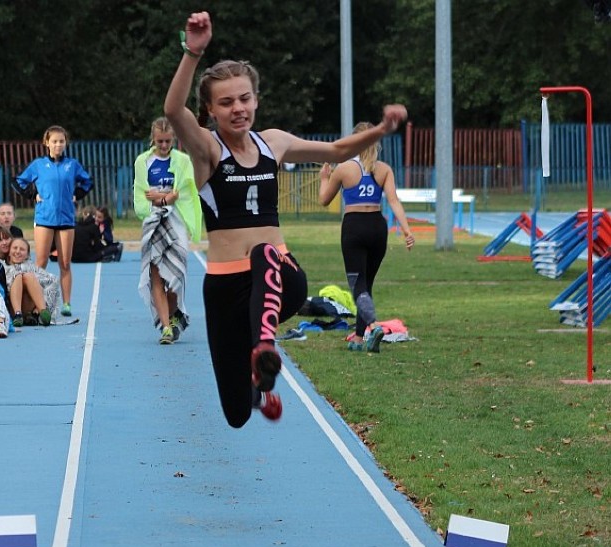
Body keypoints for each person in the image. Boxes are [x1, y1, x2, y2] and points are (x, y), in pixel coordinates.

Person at [164, 11, 407, 426]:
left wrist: (380, 130)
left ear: (256, 99)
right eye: (226, 102)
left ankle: (265, 347)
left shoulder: (272, 142)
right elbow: (172, 110)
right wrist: (193, 52)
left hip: (280, 276)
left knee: (264, 252)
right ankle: (258, 391)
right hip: (225, 287)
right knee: (236, 415)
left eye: (245, 98)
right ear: (210, 110)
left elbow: (334, 151)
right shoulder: (206, 151)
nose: (238, 108)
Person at [317, 122, 415, 353]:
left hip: (354, 227)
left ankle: (372, 325)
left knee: (357, 284)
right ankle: (360, 338)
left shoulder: (343, 169)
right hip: (377, 228)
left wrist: (324, 178)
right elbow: (393, 201)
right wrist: (407, 230)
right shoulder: (384, 169)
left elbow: (324, 200)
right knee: (366, 284)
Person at [133, 117, 202, 345]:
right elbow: (142, 199)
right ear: (153, 138)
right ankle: (165, 327)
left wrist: (163, 198)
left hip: (177, 223)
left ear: (173, 139)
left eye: (167, 141)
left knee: (176, 276)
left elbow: (184, 192)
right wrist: (164, 199)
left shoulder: (182, 161)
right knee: (156, 275)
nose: (164, 146)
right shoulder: (143, 161)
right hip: (153, 223)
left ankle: (173, 317)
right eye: (160, 141)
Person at [12, 125, 93, 317]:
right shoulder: (39, 165)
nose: (58, 144)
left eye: (61, 141)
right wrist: (33, 194)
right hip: (44, 219)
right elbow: (18, 181)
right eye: (54, 141)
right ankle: (34, 303)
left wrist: (77, 194)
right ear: (47, 143)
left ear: (66, 143)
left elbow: (88, 181)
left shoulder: (72, 165)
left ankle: (66, 303)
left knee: (65, 263)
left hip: (66, 219)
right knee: (41, 261)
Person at [3, 235, 60, 327]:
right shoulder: (3, 266)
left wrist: (44, 303)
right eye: (15, 248)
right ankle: (18, 315)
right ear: (9, 252)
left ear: (27, 255)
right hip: (11, 307)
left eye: (22, 249)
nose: (18, 251)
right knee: (17, 277)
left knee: (29, 276)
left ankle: (42, 311)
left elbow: (53, 281)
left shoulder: (32, 268)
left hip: (28, 306)